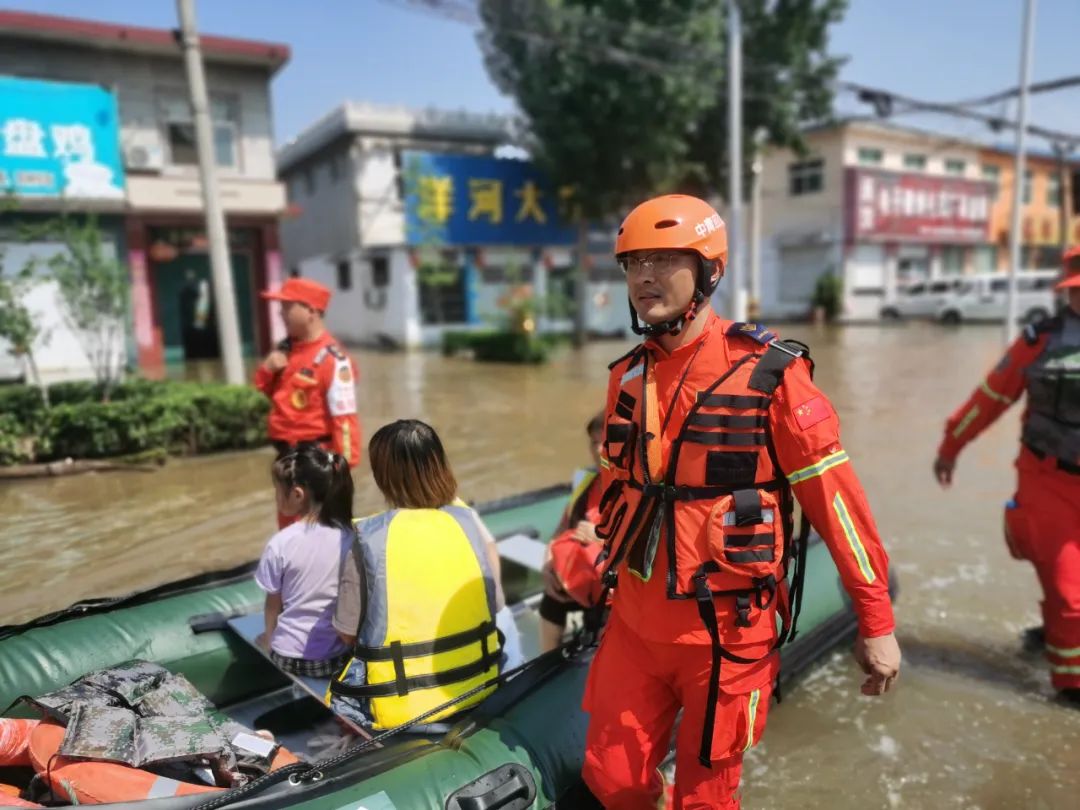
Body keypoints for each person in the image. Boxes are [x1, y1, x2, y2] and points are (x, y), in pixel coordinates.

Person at [582, 194, 901, 809]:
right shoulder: (626, 375)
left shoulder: (771, 374)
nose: (643, 276)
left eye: (663, 259)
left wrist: (876, 619)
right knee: (612, 778)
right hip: (636, 626)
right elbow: (609, 487)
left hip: (726, 632)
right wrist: (579, 548)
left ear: (709, 271)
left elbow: (837, 505)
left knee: (707, 799)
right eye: (632, 263)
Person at [934, 247, 1080, 704]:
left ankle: (1050, 633)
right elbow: (990, 397)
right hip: (1048, 479)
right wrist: (951, 446)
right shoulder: (1040, 340)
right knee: (1069, 591)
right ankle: (1071, 688)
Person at [328, 420, 519, 730]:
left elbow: (347, 633)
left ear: (382, 477)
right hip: (479, 689)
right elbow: (494, 604)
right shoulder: (467, 522)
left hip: (404, 712)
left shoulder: (367, 538)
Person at [254, 277, 361, 528]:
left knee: (316, 531)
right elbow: (262, 396)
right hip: (286, 459)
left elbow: (345, 423)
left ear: (311, 311)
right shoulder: (286, 350)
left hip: (315, 461)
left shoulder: (334, 360)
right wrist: (267, 370)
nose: (281, 313)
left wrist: (338, 471)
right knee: (289, 528)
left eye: (287, 307)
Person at [255, 446, 355, 677]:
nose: (276, 497)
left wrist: (269, 638)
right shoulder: (351, 537)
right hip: (336, 657)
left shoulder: (281, 542)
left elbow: (273, 604)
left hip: (288, 658)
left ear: (298, 495)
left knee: (266, 637)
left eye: (278, 491)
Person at [539, 412, 607, 652]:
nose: (598, 450)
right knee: (551, 601)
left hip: (612, 587)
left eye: (605, 441)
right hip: (581, 577)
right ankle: (546, 665)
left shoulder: (631, 489)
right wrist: (548, 564)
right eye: (593, 442)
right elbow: (560, 531)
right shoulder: (585, 484)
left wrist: (600, 536)